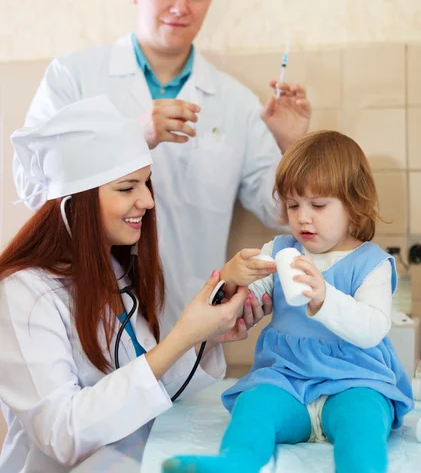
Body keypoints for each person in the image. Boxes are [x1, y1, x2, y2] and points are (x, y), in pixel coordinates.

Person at [13, 0, 312, 340]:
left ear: (210, 4)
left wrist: (291, 147)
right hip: (87, 318)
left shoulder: (234, 101)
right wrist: (130, 136)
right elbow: (33, 186)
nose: (179, 7)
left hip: (194, 323)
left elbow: (280, 213)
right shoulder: (74, 76)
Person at [0, 95, 251, 473]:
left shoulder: (113, 272)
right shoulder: (22, 291)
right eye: (127, 188)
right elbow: (61, 433)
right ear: (76, 202)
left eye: (146, 184)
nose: (148, 201)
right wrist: (182, 337)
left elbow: (145, 391)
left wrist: (206, 338)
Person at [164, 130, 414, 473]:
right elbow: (244, 298)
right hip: (286, 380)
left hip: (354, 382)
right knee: (254, 407)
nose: (303, 217)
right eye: (293, 205)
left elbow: (372, 329)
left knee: (364, 425)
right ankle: (234, 462)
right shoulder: (280, 251)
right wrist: (234, 277)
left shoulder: (371, 264)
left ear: (355, 204)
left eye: (318, 205)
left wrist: (325, 298)